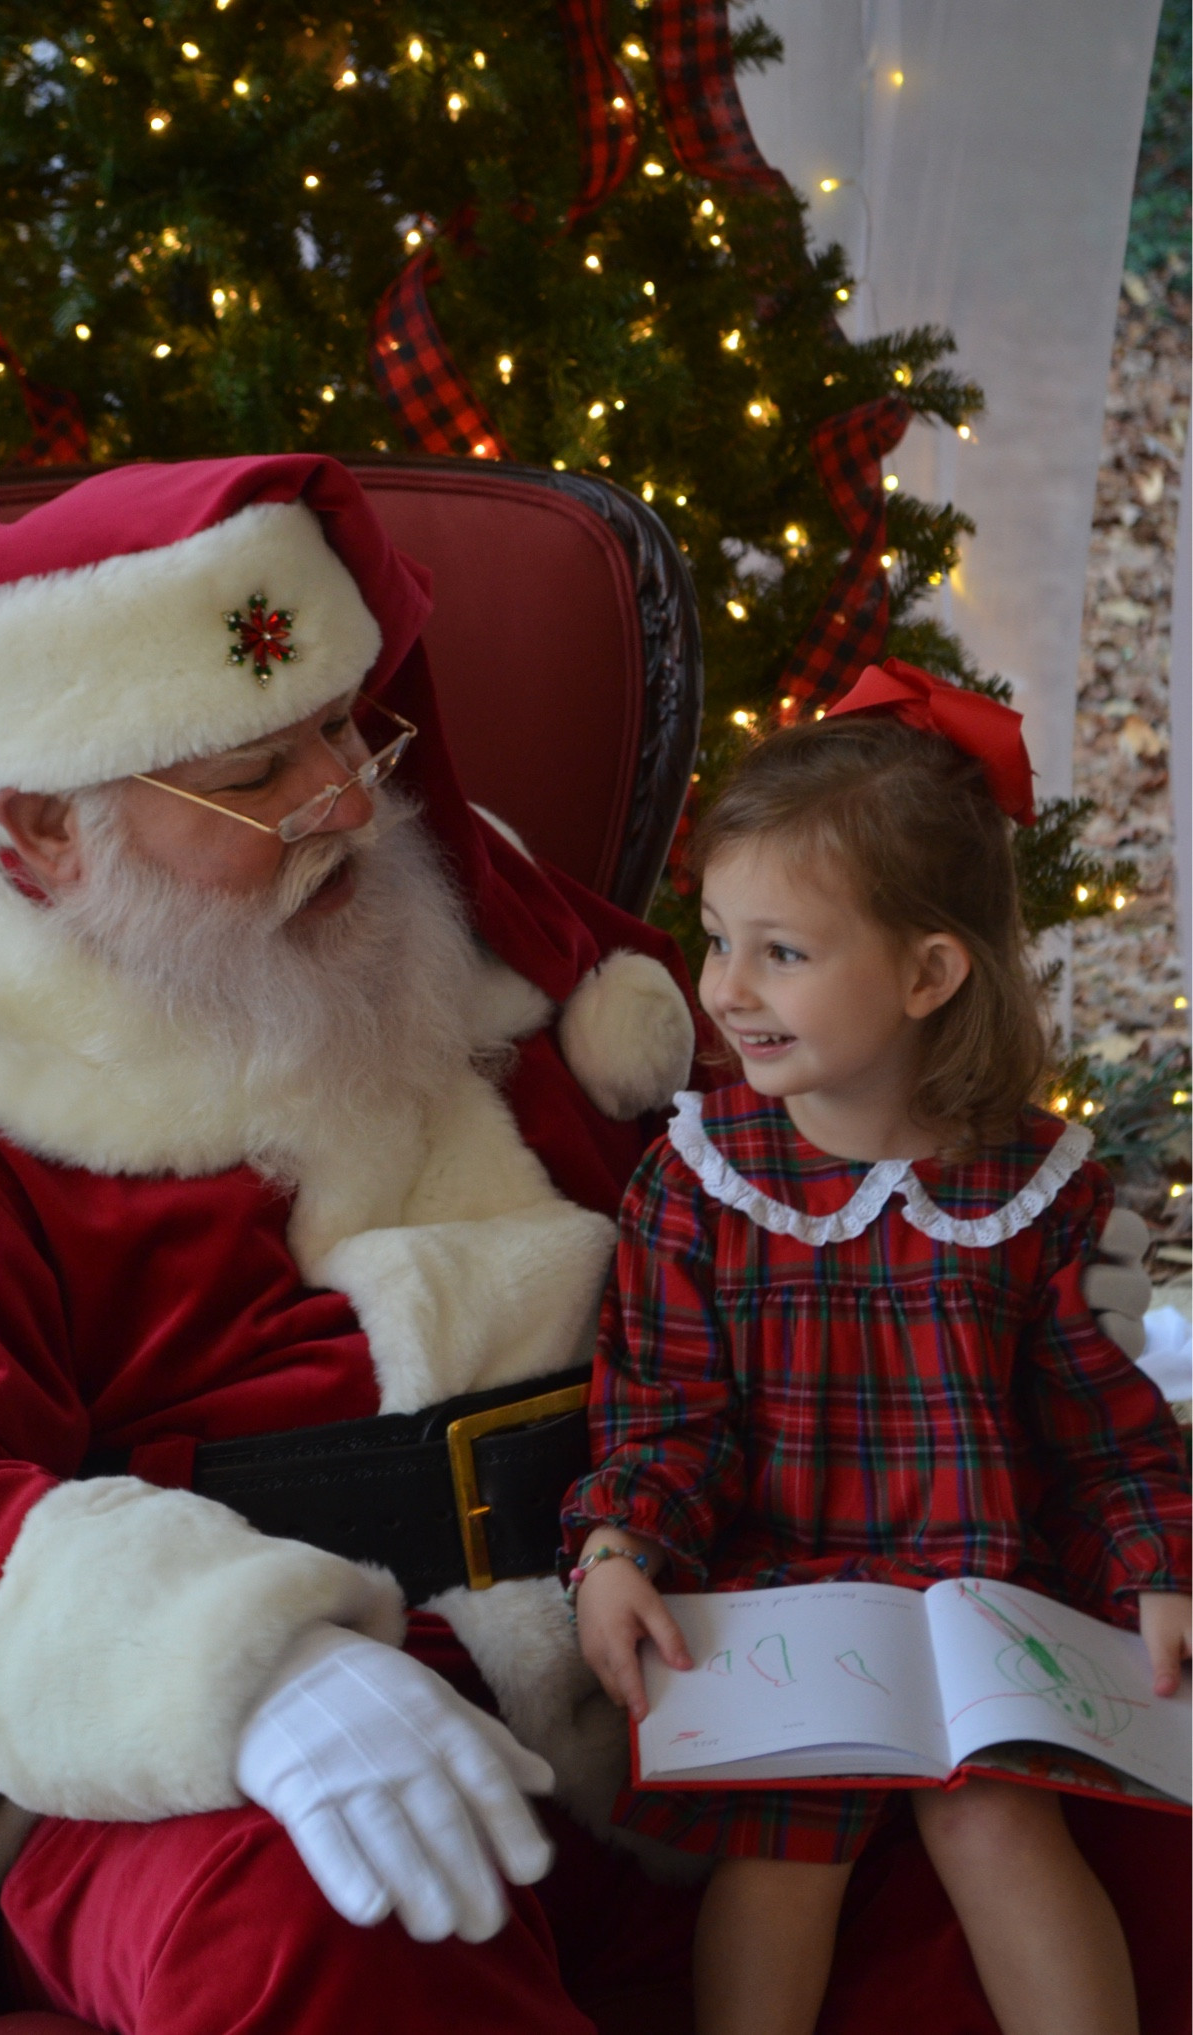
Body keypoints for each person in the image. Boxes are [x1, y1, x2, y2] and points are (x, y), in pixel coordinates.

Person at [0, 454, 707, 2034]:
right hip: (218, 1758)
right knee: (340, 1933)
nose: (348, 802)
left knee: (1049, 1826)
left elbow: (725, 1186)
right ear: (45, 825)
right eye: (253, 776)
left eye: (342, 725)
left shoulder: (453, 902)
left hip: (650, 1621)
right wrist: (250, 1673)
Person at [562, 662, 1192, 2035]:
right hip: (785, 1605)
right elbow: (663, 1414)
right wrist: (617, 1548)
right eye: (717, 940)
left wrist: (1157, 1571)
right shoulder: (696, 1175)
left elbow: (1101, 1424)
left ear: (926, 972)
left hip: (978, 1597)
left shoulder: (1038, 1185)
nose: (727, 990)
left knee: (1002, 1833)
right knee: (781, 1856)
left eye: (780, 952)